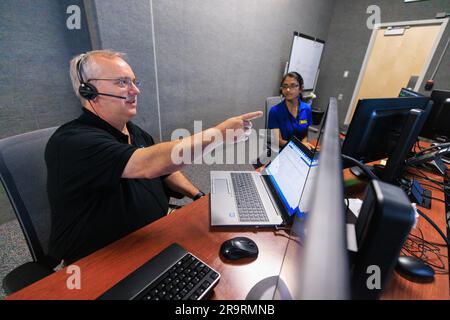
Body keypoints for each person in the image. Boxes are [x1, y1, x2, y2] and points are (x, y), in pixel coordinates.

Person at [45, 50, 261, 263]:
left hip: (151, 235)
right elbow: (150, 164)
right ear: (88, 90)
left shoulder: (132, 130)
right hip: (102, 257)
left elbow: (165, 169)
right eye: (122, 83)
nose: (135, 90)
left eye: (134, 82)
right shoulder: (73, 142)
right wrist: (219, 134)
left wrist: (198, 196)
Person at [267, 72, 312, 148]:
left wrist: (304, 146)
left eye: (293, 86)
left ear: (301, 89)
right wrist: (300, 146)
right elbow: (278, 141)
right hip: (282, 150)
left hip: (300, 150)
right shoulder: (275, 111)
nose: (288, 90)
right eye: (285, 86)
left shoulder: (307, 109)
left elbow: (305, 134)